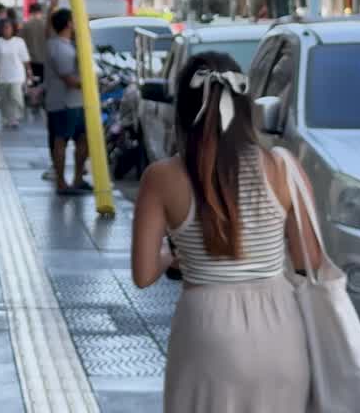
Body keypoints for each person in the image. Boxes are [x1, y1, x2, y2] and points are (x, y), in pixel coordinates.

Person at [130, 52, 323, 412]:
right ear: (246, 104)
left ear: (183, 111)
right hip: (280, 327)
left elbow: (143, 275)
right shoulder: (284, 168)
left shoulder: (162, 178)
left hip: (206, 328)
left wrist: (175, 254)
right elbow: (308, 260)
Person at [44, 9, 92, 193]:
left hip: (76, 103)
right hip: (63, 103)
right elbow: (69, 79)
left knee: (83, 139)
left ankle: (78, 179)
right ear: (69, 24)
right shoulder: (59, 47)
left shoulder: (66, 44)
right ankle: (61, 182)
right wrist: (90, 84)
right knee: (61, 141)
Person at [0, 19, 30, 129]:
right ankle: (6, 119)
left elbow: (25, 59)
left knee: (16, 97)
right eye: (4, 27)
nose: (6, 30)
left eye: (8, 27)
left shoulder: (19, 42)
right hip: (3, 76)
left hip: (17, 76)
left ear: (13, 29)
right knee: (4, 100)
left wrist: (29, 72)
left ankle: (15, 118)